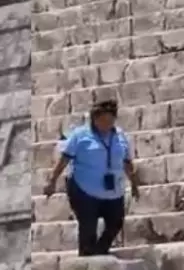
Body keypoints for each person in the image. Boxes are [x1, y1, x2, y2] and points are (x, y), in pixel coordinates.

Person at [43, 100, 141, 257]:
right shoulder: (80, 135)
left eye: (110, 121)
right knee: (88, 228)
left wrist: (134, 184)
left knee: (116, 222)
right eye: (103, 121)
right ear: (94, 119)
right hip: (84, 190)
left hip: (113, 191)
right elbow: (64, 159)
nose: (106, 125)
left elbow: (127, 162)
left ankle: (99, 251)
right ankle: (88, 257)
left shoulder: (120, 136)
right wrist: (52, 181)